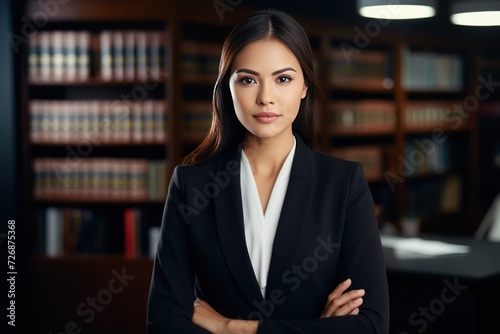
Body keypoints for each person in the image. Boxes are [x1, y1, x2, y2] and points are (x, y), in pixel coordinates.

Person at [147, 8, 389, 334]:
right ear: (227, 88)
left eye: (283, 79)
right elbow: (163, 322)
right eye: (248, 80)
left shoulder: (343, 184)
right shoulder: (191, 185)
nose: (265, 98)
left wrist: (233, 328)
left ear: (304, 86)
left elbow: (372, 325)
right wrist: (315, 328)